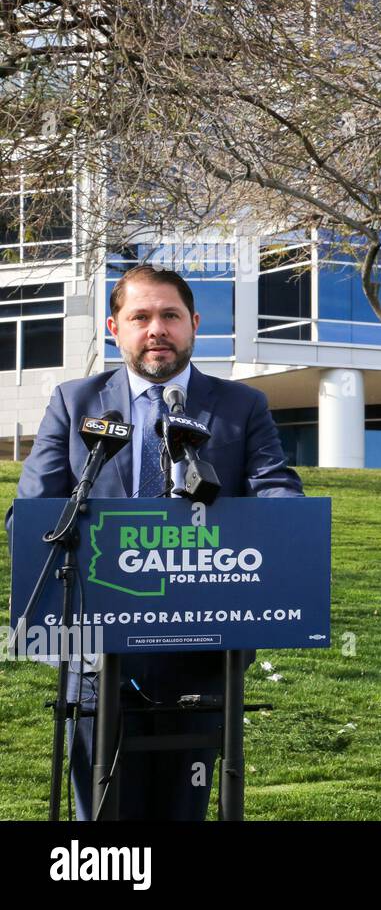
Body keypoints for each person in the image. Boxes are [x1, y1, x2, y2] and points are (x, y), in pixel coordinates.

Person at [5, 263, 304, 820]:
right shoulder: (76, 403)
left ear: (194, 324)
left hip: (203, 649)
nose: (156, 329)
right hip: (98, 651)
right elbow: (31, 515)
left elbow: (276, 494)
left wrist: (287, 533)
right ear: (115, 329)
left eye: (170, 316)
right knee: (102, 816)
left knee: (181, 806)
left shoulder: (242, 407)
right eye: (140, 316)